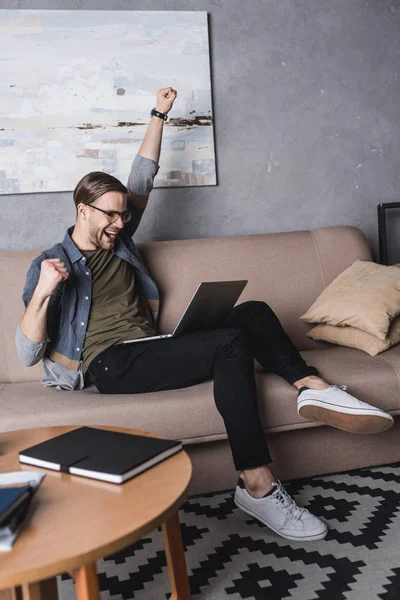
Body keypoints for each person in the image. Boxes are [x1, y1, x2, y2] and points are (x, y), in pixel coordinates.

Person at [17, 87, 393, 543]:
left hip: (151, 348)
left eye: (123, 215)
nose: (120, 224)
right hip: (111, 363)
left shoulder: (118, 240)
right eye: (111, 217)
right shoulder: (51, 264)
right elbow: (28, 352)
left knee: (252, 311)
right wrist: (43, 294)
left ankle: (313, 388)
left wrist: (159, 113)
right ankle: (257, 484)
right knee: (231, 344)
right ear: (83, 210)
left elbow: (142, 176)